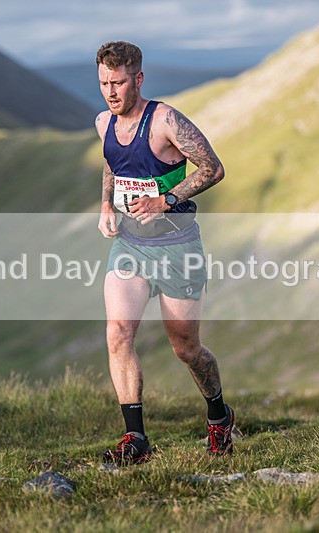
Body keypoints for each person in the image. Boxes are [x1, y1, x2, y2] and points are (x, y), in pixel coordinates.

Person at [94, 41, 234, 464]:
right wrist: (106, 203)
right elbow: (112, 163)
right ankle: (136, 440)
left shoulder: (165, 121)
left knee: (186, 348)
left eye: (118, 83)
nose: (111, 92)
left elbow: (213, 168)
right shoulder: (103, 121)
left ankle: (218, 416)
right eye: (103, 83)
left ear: (138, 78)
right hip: (130, 246)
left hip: (177, 247)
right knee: (118, 333)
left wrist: (165, 201)